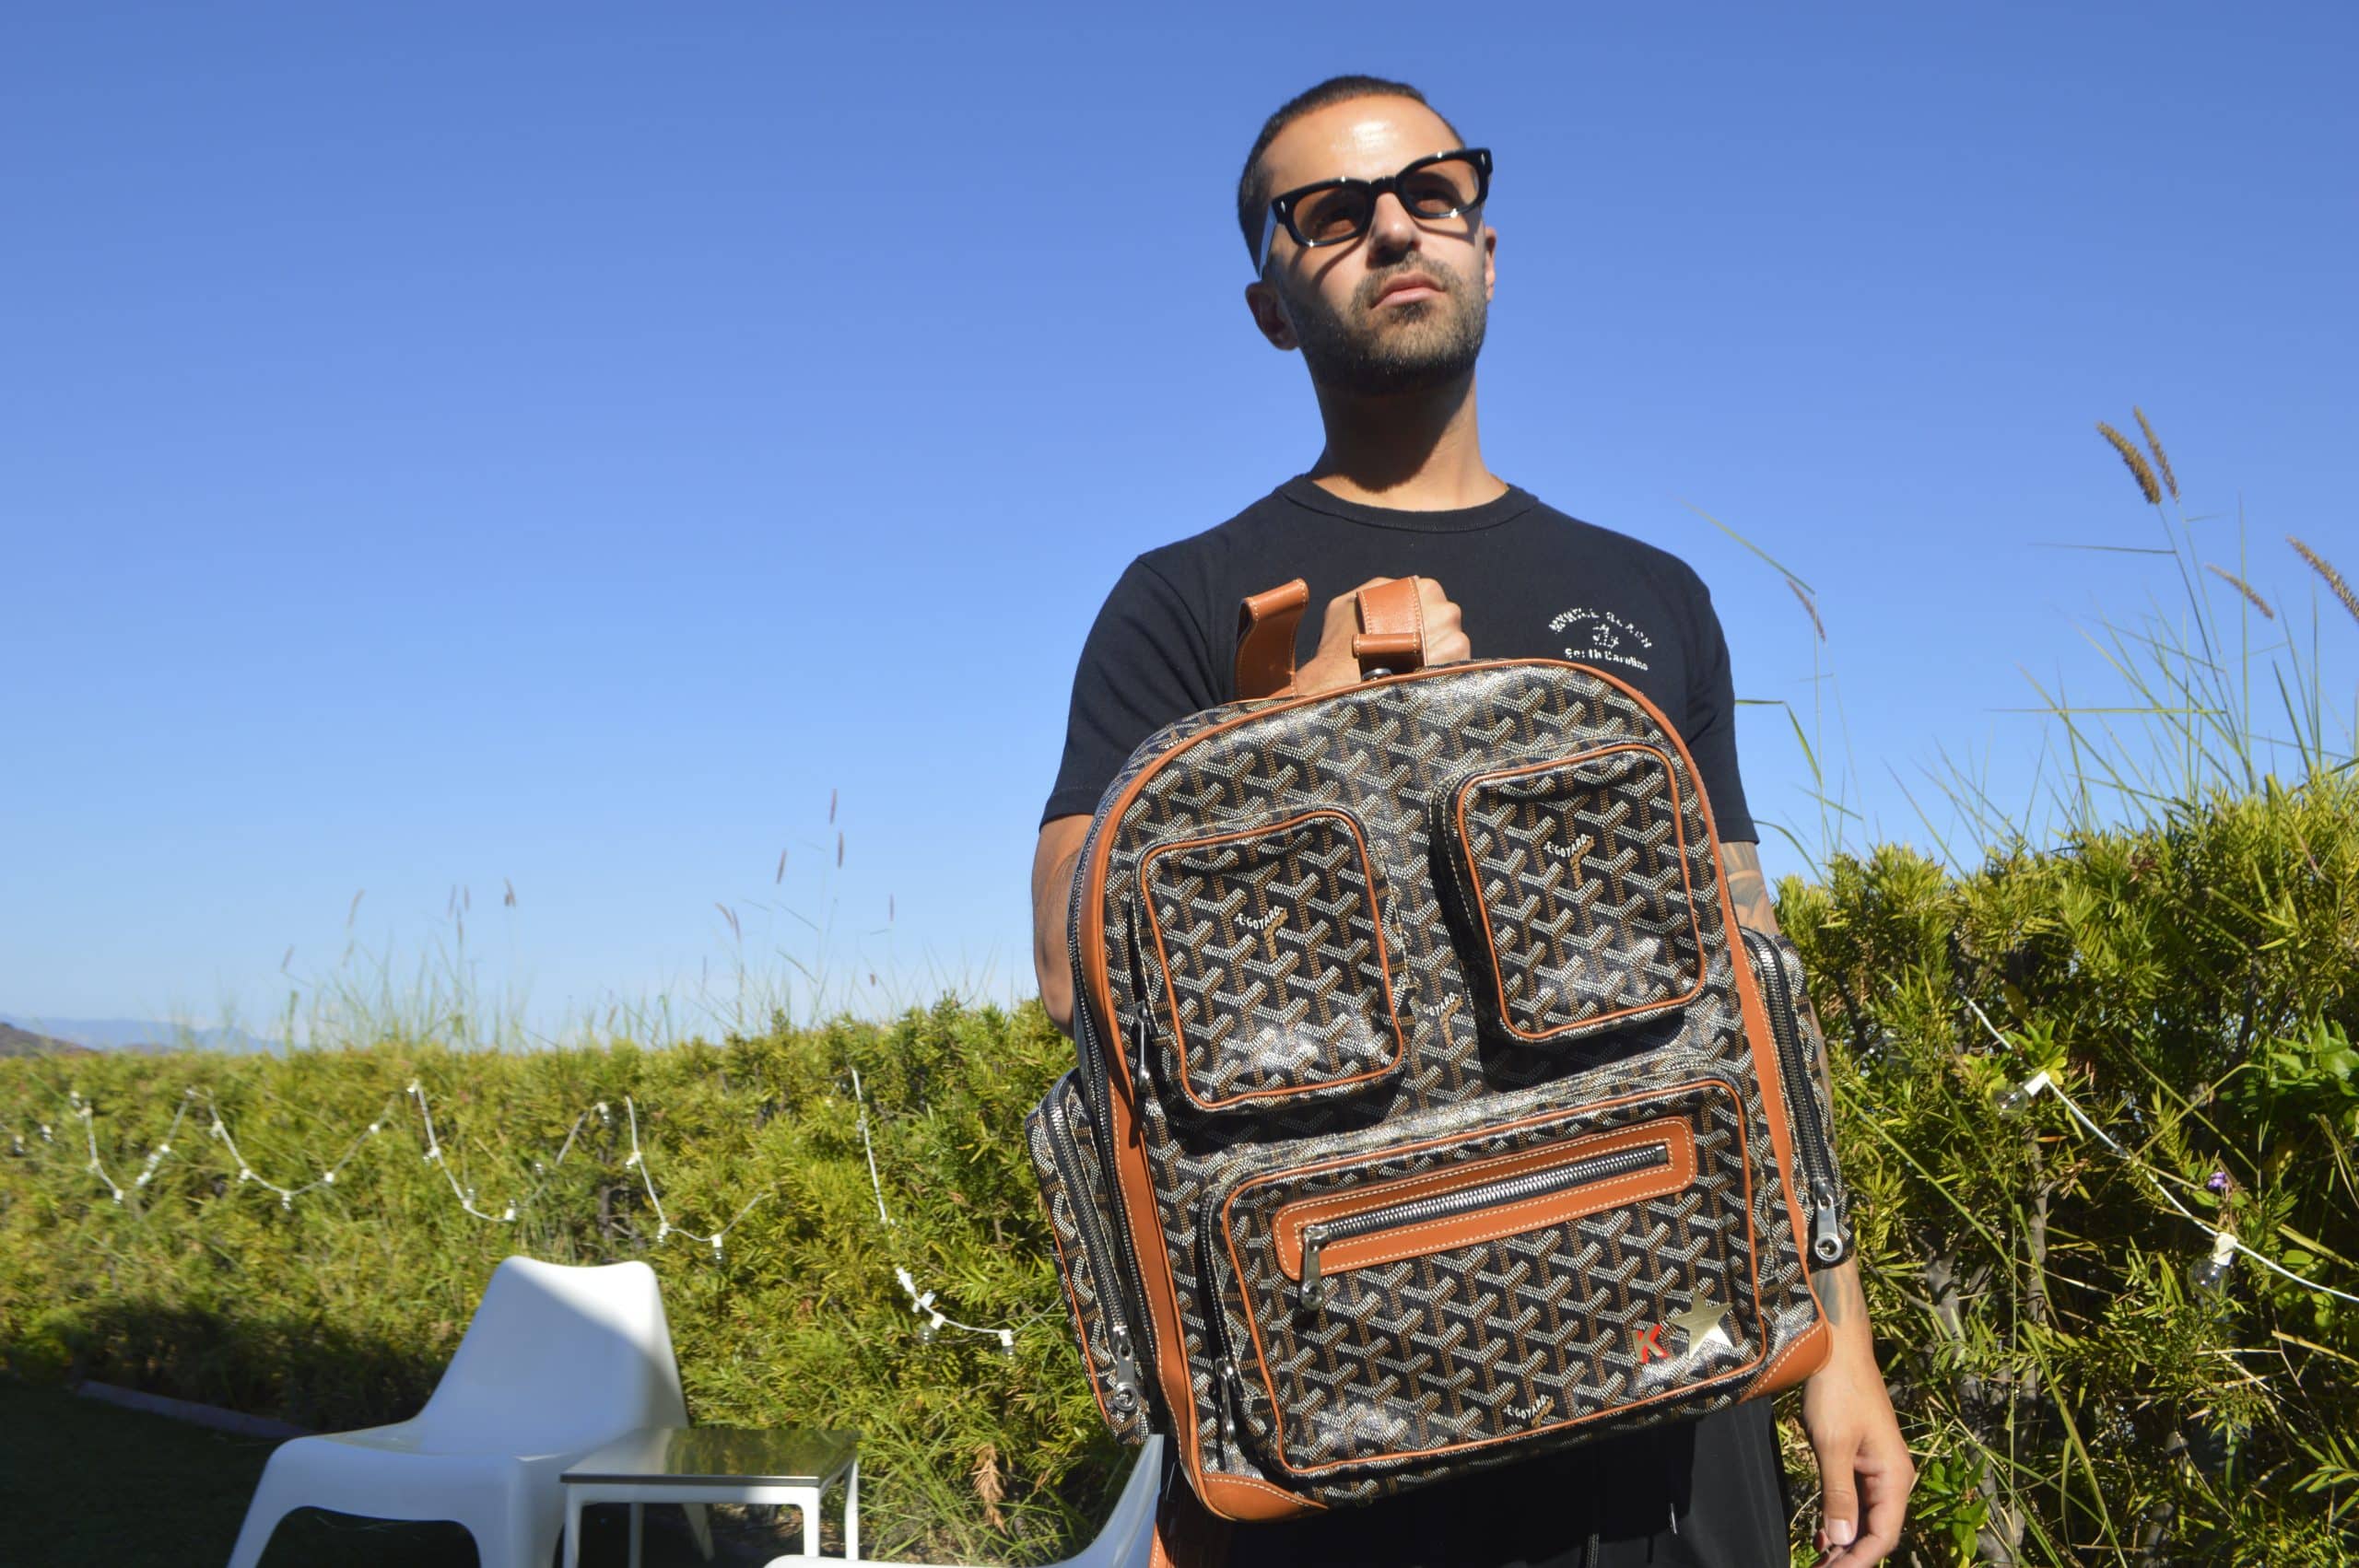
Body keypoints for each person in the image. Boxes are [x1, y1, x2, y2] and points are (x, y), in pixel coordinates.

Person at [1029, 74, 1914, 1568]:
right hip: (1338, 1418)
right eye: (1330, 212)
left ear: (1486, 243)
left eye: (1429, 191)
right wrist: (1283, 747)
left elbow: (1746, 988)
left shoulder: (1650, 598)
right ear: (1270, 304)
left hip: (1671, 1390)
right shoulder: (1181, 602)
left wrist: (1840, 1339)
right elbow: (1069, 959)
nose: (1392, 227)